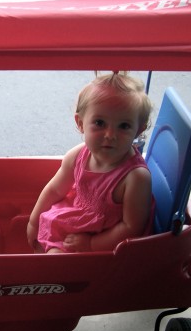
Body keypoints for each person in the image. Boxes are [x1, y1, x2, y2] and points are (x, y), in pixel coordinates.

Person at [27, 72, 155, 253]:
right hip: (76, 218)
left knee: (54, 261)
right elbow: (55, 190)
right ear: (80, 123)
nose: (110, 135)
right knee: (42, 242)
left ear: (138, 130)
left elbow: (132, 228)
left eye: (124, 126)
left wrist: (91, 244)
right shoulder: (79, 155)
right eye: (100, 123)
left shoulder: (136, 177)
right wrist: (34, 221)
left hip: (107, 241)